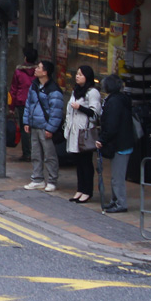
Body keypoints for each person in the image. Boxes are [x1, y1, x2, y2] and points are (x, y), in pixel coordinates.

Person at [97, 74, 135, 213]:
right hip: (123, 142)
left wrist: (102, 139)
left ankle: (120, 203)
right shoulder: (121, 99)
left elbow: (111, 126)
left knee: (117, 177)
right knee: (115, 176)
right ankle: (115, 201)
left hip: (120, 144)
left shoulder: (114, 102)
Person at [23, 59, 63, 192]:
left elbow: (56, 111)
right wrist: (27, 121)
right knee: (36, 154)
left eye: (39, 67)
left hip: (45, 127)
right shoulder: (34, 85)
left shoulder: (54, 90)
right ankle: (37, 179)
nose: (36, 69)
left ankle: (52, 180)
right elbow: (29, 104)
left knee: (49, 155)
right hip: (34, 125)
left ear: (45, 72)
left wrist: (50, 128)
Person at [62, 65, 100, 203]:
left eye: (80, 74)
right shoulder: (75, 91)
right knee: (78, 161)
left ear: (87, 77)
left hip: (84, 132)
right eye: (77, 74)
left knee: (86, 162)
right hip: (74, 131)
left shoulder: (92, 92)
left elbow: (95, 113)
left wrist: (80, 107)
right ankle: (80, 189)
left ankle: (87, 191)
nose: (77, 76)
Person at [8, 46, 39, 161]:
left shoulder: (19, 72)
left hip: (22, 103)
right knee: (36, 127)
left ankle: (27, 153)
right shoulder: (39, 72)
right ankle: (36, 152)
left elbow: (13, 90)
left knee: (24, 128)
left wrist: (11, 107)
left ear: (25, 58)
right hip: (36, 103)